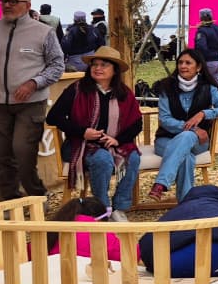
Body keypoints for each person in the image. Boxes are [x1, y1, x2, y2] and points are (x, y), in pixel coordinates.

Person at [0, 0, 65, 200]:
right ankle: (11, 201)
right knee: (1, 155)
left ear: (27, 6)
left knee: (23, 153)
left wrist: (34, 83)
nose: (7, 5)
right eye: (4, 0)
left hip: (31, 104)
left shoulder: (44, 32)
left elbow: (57, 65)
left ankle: (37, 196)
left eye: (13, 1)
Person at [46, 45, 144, 222]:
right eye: (94, 64)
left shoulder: (123, 93)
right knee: (102, 159)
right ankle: (103, 209)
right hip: (81, 145)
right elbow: (54, 117)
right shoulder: (76, 89)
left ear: (114, 70)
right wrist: (83, 132)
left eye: (104, 65)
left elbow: (137, 124)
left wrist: (117, 139)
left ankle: (120, 207)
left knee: (133, 157)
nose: (98, 68)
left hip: (112, 143)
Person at [148, 49, 218, 202]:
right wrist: (193, 128)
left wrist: (204, 113)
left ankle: (161, 183)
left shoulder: (208, 88)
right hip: (166, 140)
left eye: (188, 63)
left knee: (187, 138)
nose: (183, 66)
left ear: (199, 67)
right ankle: (186, 203)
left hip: (198, 142)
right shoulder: (166, 87)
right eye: (180, 62)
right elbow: (165, 119)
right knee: (186, 156)